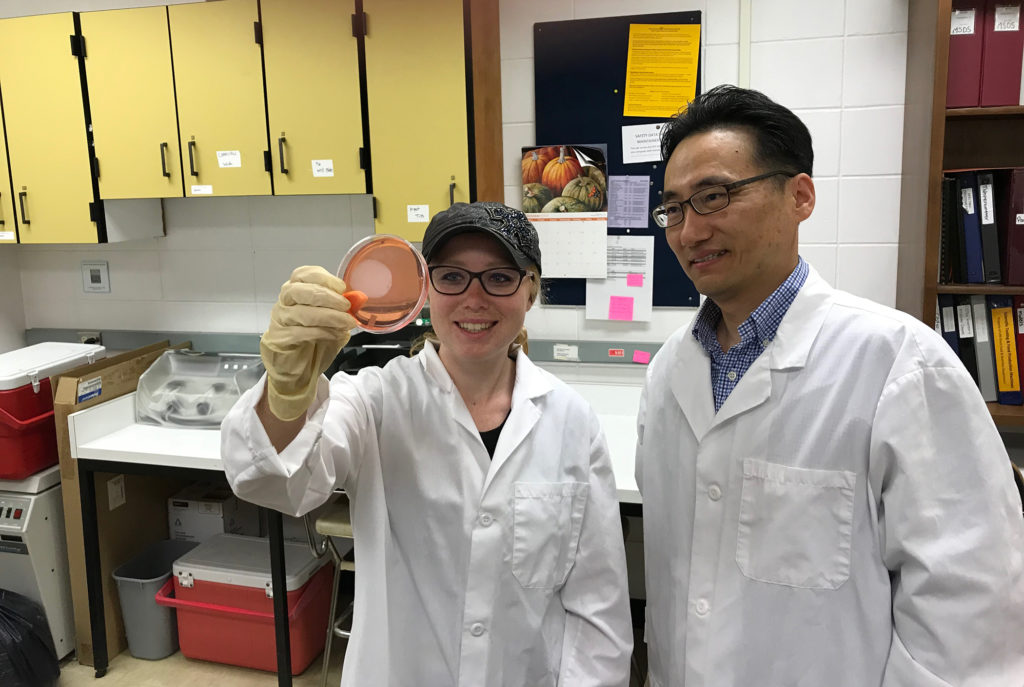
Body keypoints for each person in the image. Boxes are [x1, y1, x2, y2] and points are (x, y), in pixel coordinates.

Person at [635, 84, 1024, 687]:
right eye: (675, 209)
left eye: (713, 197)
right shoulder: (668, 373)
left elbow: (970, 608)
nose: (689, 232)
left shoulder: (900, 364)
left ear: (800, 196)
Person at [221, 201, 633, 687]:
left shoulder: (572, 421)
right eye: (452, 277)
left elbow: (597, 607)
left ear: (530, 291)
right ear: (426, 290)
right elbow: (272, 481)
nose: (474, 299)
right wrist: (286, 394)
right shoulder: (374, 400)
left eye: (499, 278)